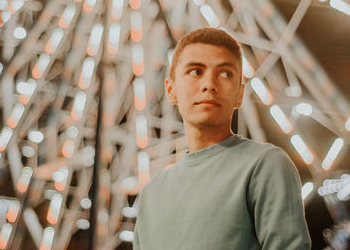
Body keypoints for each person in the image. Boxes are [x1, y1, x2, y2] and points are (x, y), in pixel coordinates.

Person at [133, 27, 311, 249]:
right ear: (171, 90)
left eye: (225, 74)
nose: (210, 84)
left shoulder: (265, 165)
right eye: (195, 72)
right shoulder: (151, 194)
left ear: (239, 94)